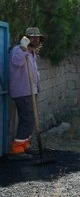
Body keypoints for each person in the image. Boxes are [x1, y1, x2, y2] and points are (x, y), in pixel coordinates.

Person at [8, 27, 44, 158]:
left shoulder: (32, 52)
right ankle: (16, 149)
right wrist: (23, 48)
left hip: (32, 90)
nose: (36, 39)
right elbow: (17, 62)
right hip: (22, 91)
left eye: (37, 37)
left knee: (31, 119)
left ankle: (24, 145)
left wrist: (37, 88)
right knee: (27, 119)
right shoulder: (18, 50)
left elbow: (34, 72)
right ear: (26, 38)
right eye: (33, 37)